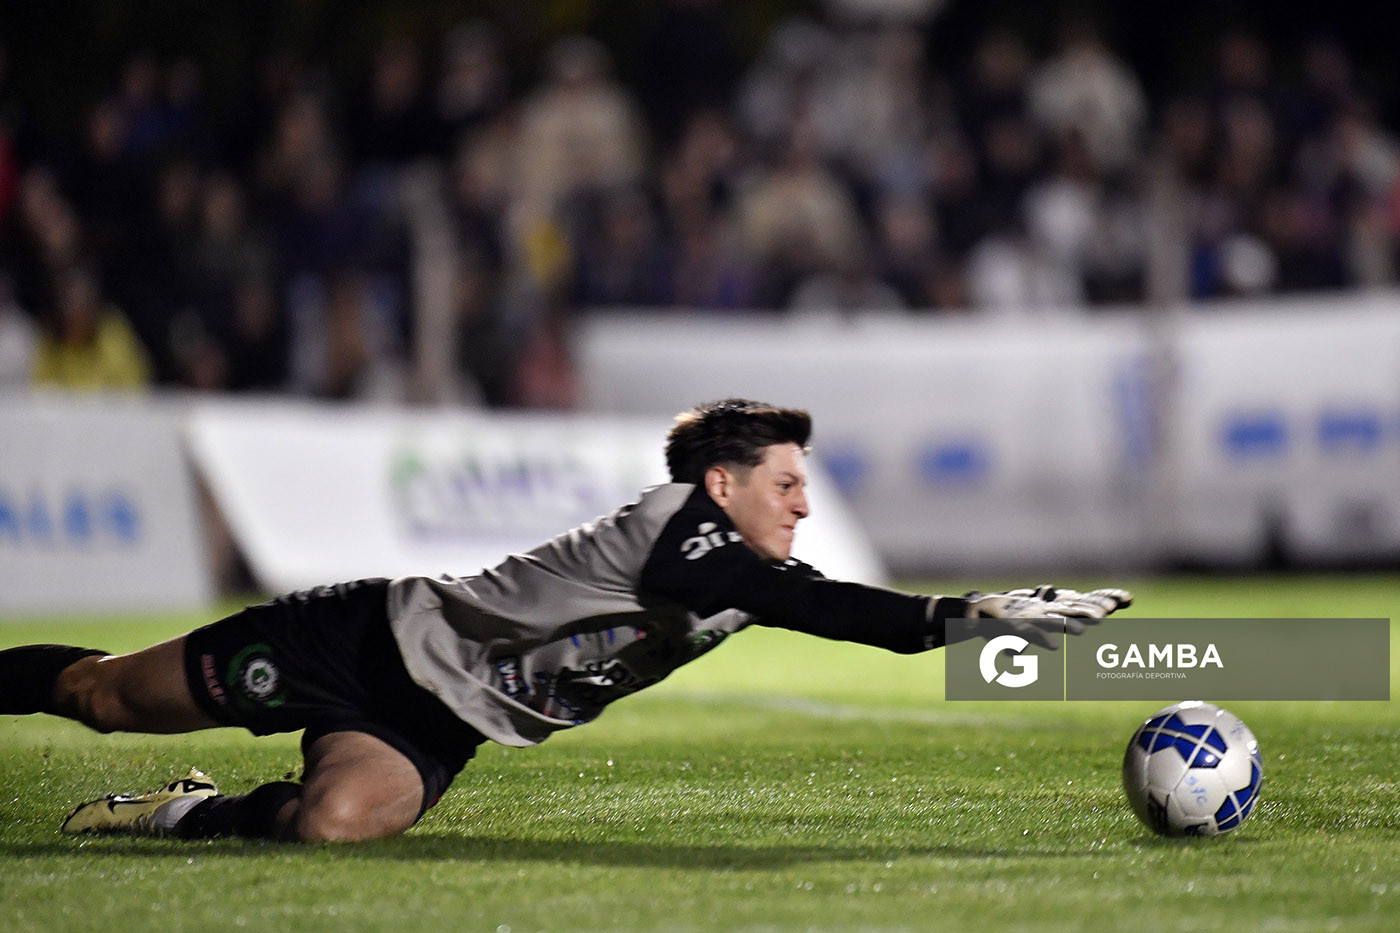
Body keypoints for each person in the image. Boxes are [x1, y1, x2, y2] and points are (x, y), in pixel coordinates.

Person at [0, 399, 1131, 843]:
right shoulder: (673, 527)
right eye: (782, 479)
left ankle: (182, 815)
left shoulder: (736, 569)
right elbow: (810, 602)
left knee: (328, 829)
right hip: (358, 642)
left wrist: (953, 622)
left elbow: (823, 605)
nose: (800, 498)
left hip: (435, 725)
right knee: (97, 697)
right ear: (719, 485)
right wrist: (957, 611)